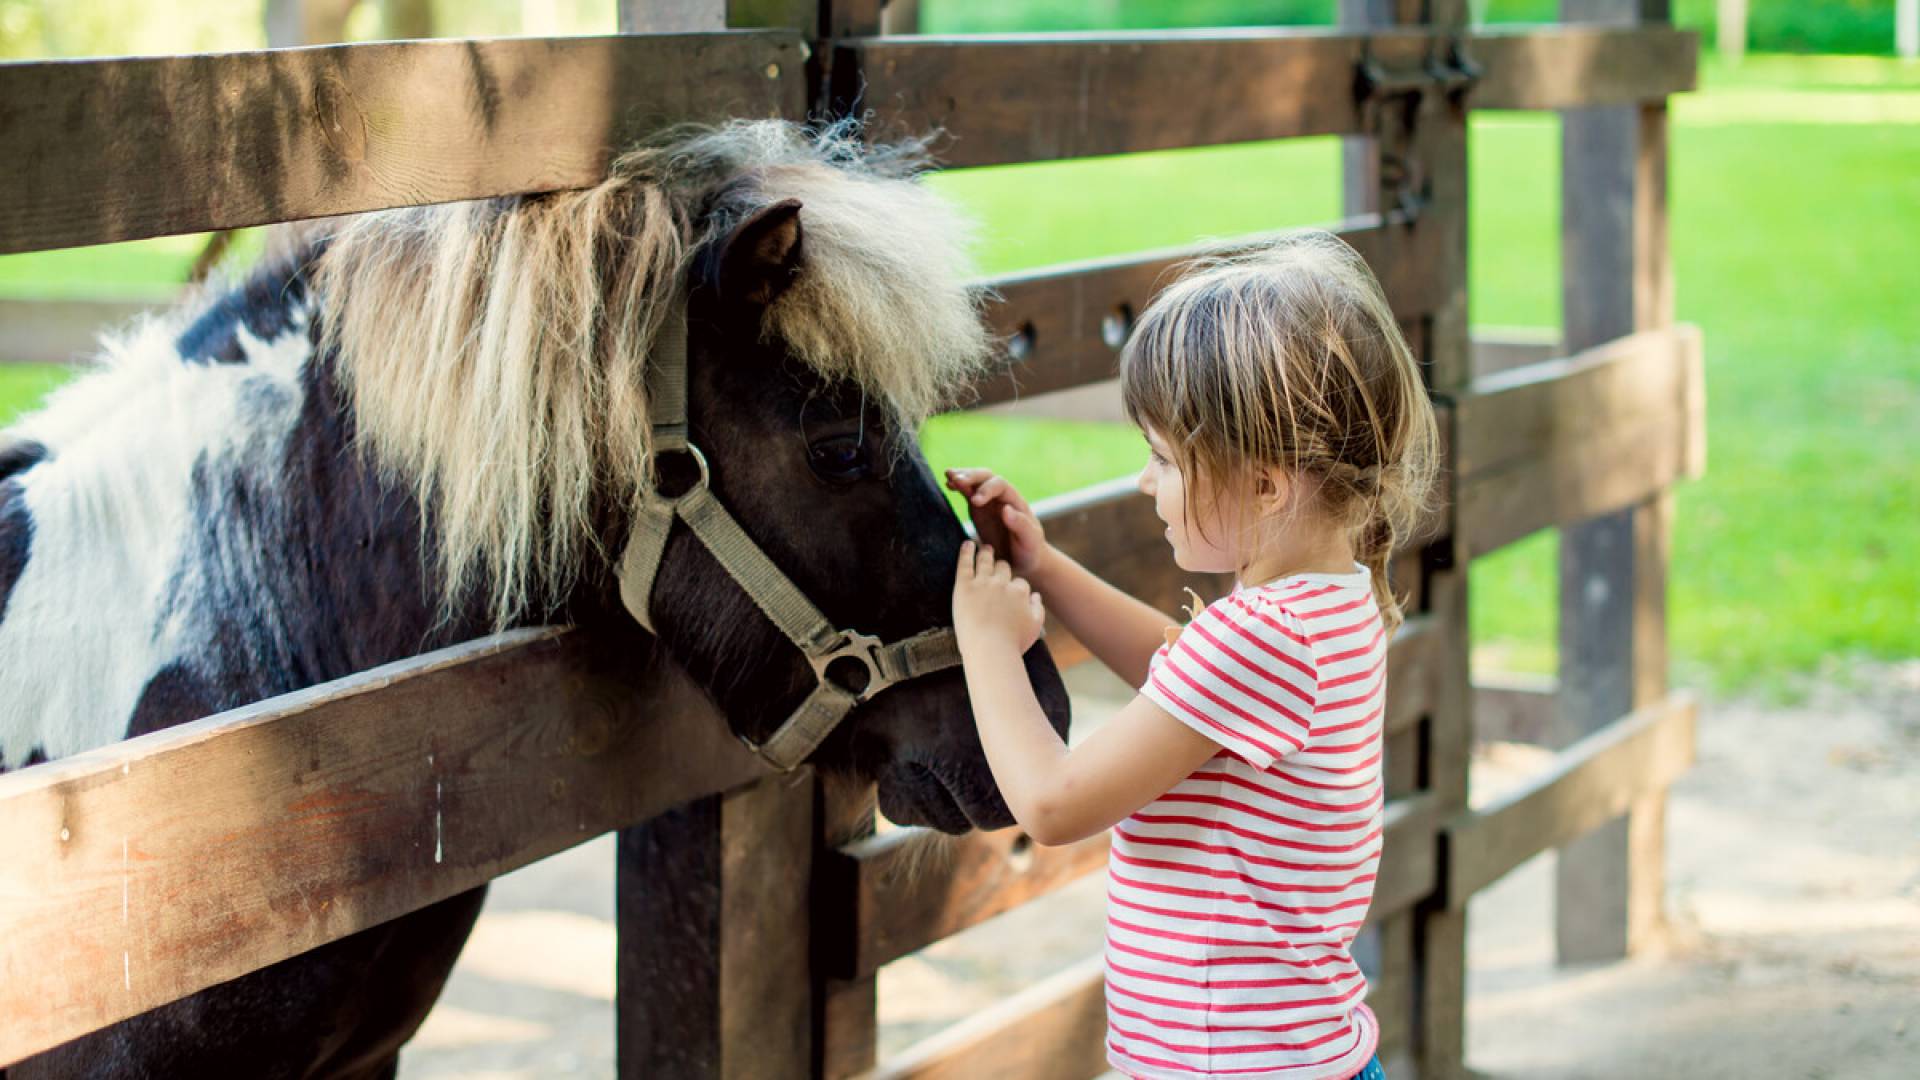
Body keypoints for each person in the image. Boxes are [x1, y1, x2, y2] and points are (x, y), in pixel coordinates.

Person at [947, 230, 1437, 1080]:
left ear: (1265, 484)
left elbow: (1056, 805)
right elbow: (1184, 676)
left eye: (1165, 459)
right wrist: (1046, 568)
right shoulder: (1330, 602)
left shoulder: (1259, 637)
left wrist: (986, 643)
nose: (1145, 483)